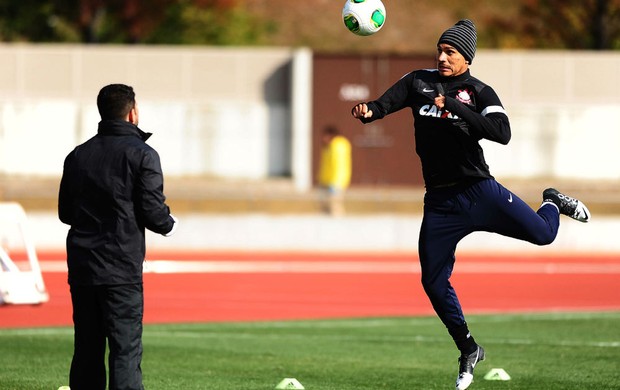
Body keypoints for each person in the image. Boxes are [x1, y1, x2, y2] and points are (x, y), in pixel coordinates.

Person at [351, 19, 590, 390]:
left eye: (451, 52)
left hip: (479, 191)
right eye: (441, 50)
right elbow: (384, 105)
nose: (443, 57)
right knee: (432, 281)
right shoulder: (418, 81)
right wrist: (368, 111)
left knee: (544, 235)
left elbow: (502, 133)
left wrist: (456, 108)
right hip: (441, 201)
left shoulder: (479, 91)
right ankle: (468, 348)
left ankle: (552, 202)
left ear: (467, 58)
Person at [58, 83, 178, 390]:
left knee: (87, 348)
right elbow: (154, 213)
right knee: (125, 349)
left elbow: (65, 214)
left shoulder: (77, 155)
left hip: (84, 266)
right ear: (132, 112)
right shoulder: (143, 155)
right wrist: (168, 222)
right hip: (121, 266)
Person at [317, 126, 352, 216]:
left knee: (335, 205)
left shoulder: (338, 146)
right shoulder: (328, 147)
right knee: (325, 206)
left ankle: (338, 226)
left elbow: (339, 166)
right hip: (327, 181)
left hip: (336, 182)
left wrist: (336, 182)